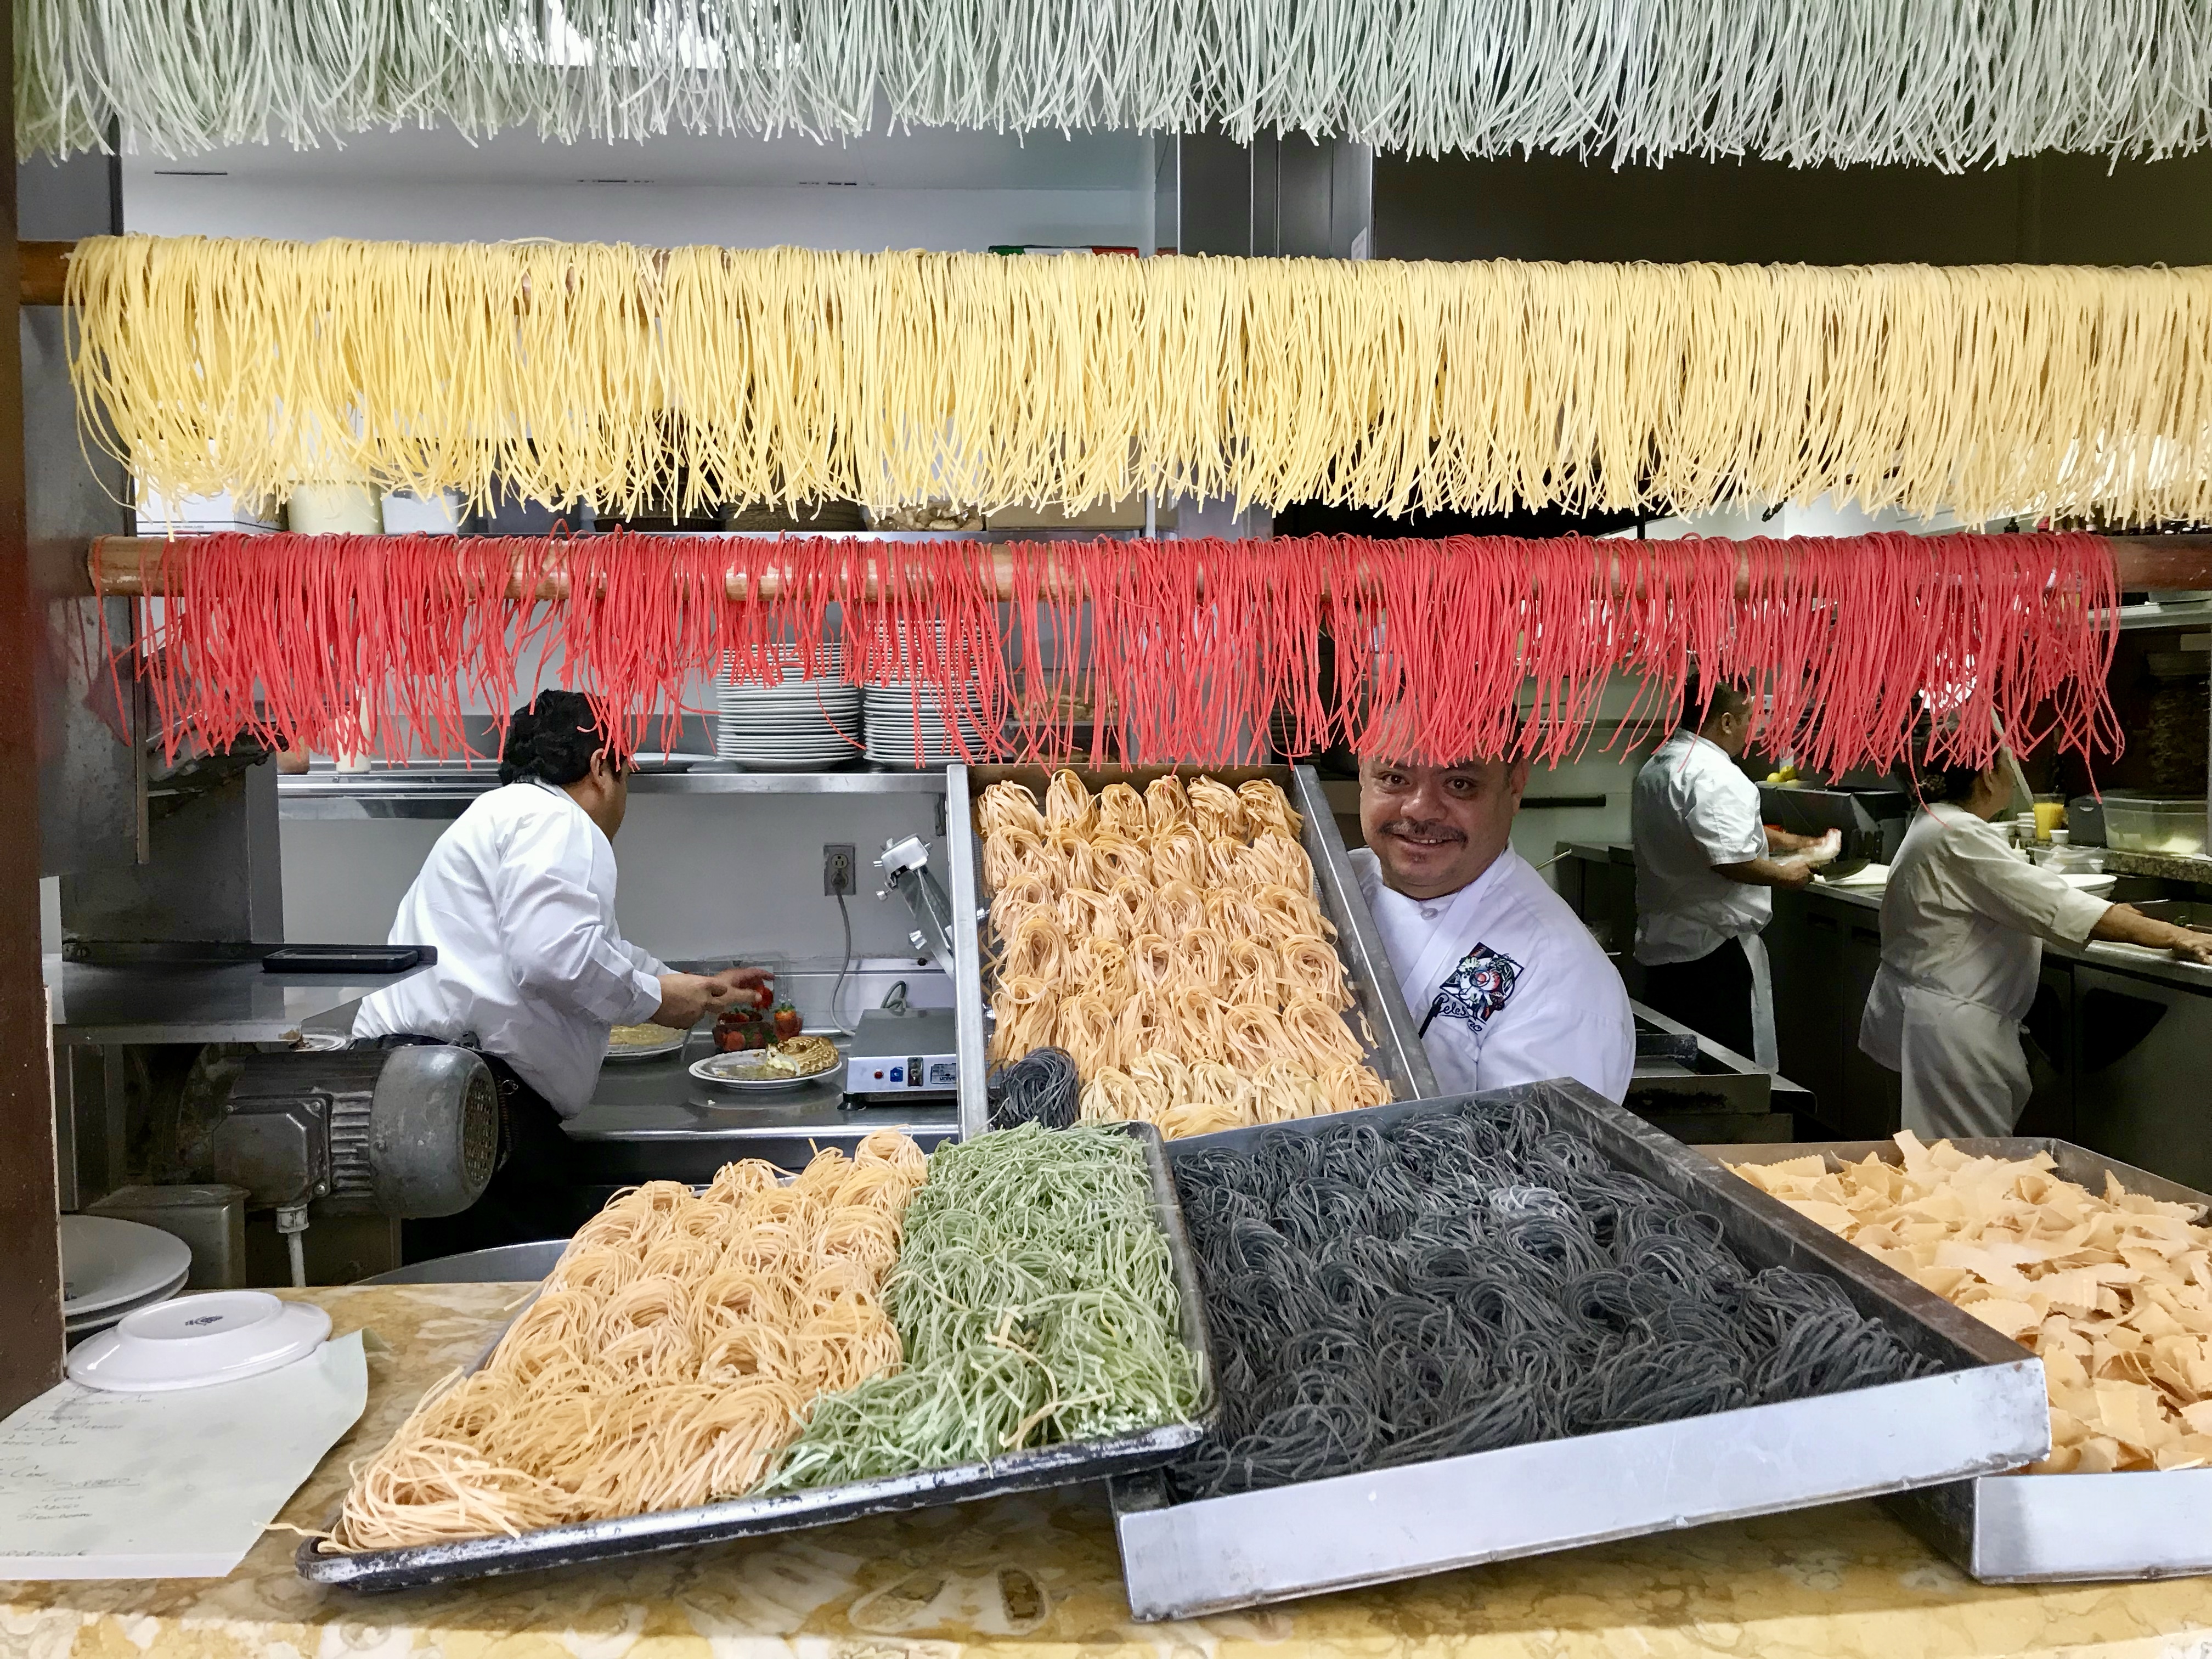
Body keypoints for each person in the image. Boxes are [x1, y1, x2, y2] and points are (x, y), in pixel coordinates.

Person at [354, 691, 770, 1255]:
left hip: (422, 1095)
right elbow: (553, 956)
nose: (625, 799)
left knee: (456, 1306)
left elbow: (591, 948)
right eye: (628, 778)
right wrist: (653, 1000)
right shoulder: (562, 822)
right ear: (601, 766)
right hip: (474, 1108)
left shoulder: (503, 814)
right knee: (521, 1314)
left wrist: (685, 987)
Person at [1859, 736, 2212, 1139]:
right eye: (2010, 765)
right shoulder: (1957, 833)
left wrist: (2116, 917)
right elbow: (2056, 905)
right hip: (1947, 1033)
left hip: (1923, 1018)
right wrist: (2176, 935)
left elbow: (2025, 893)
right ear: (1988, 777)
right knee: (1963, 1174)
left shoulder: (1935, 822)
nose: (2015, 774)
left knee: (1928, 1165)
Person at [1351, 744, 1634, 1102]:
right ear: (1363, 773)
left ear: (1514, 786)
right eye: (1394, 778)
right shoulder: (1326, 881)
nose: (1420, 808)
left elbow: (1529, 1153)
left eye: (1459, 784)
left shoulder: (1562, 979)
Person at [1631, 680, 1837, 1065]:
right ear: (1725, 722)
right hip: (1713, 957)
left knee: (1677, 1066)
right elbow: (1731, 861)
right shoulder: (1716, 775)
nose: (1752, 730)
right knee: (1726, 1070)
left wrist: (1798, 843)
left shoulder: (1660, 765)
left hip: (1665, 949)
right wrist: (1789, 875)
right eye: (1748, 720)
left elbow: (1717, 835)